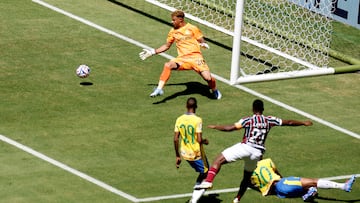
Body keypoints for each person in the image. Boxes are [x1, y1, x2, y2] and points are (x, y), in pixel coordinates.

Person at [194, 99, 313, 198]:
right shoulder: (269, 120)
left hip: (246, 147)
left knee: (218, 160)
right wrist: (303, 123)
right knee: (246, 177)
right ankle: (237, 199)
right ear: (263, 109)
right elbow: (289, 122)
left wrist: (216, 126)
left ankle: (208, 181)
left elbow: (230, 128)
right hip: (257, 154)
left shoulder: (248, 120)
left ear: (253, 109)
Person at [139, 10, 221, 99]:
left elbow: (201, 40)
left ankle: (214, 89)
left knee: (208, 78)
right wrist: (153, 52)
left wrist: (204, 44)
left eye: (174, 20)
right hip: (182, 59)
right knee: (168, 65)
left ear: (180, 20)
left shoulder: (192, 28)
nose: (172, 22)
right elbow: (167, 46)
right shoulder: (172, 32)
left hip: (196, 58)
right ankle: (159, 89)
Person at [232, 158, 356, 202]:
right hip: (282, 183)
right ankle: (342, 186)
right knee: (313, 181)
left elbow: (250, 184)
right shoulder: (266, 161)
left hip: (279, 193)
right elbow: (279, 174)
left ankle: (306, 194)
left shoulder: (250, 173)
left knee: (306, 188)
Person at [174, 97, 210, 203]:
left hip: (184, 153)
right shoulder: (197, 120)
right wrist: (205, 141)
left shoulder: (179, 119)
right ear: (196, 107)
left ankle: (195, 197)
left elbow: (176, 139)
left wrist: (177, 156)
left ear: (186, 106)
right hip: (196, 154)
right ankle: (194, 200)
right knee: (207, 175)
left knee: (203, 172)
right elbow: (199, 139)